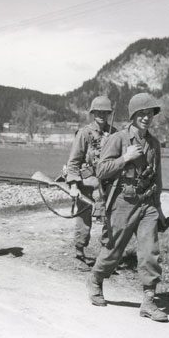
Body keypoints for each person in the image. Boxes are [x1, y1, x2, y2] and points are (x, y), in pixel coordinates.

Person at [86, 93, 168, 322]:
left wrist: (159, 208)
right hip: (123, 203)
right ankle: (95, 279)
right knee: (113, 251)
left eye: (149, 113)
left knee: (150, 251)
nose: (146, 118)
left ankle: (149, 300)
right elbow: (101, 171)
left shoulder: (154, 144)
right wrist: (125, 158)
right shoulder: (119, 139)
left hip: (147, 204)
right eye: (141, 114)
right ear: (133, 116)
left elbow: (157, 178)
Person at [66, 95, 116, 263]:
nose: (102, 115)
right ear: (93, 113)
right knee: (83, 218)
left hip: (108, 183)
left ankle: (106, 254)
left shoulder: (115, 134)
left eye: (105, 112)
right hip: (87, 183)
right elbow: (73, 161)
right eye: (98, 112)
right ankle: (80, 251)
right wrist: (73, 185)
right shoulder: (84, 133)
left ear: (109, 114)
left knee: (109, 218)